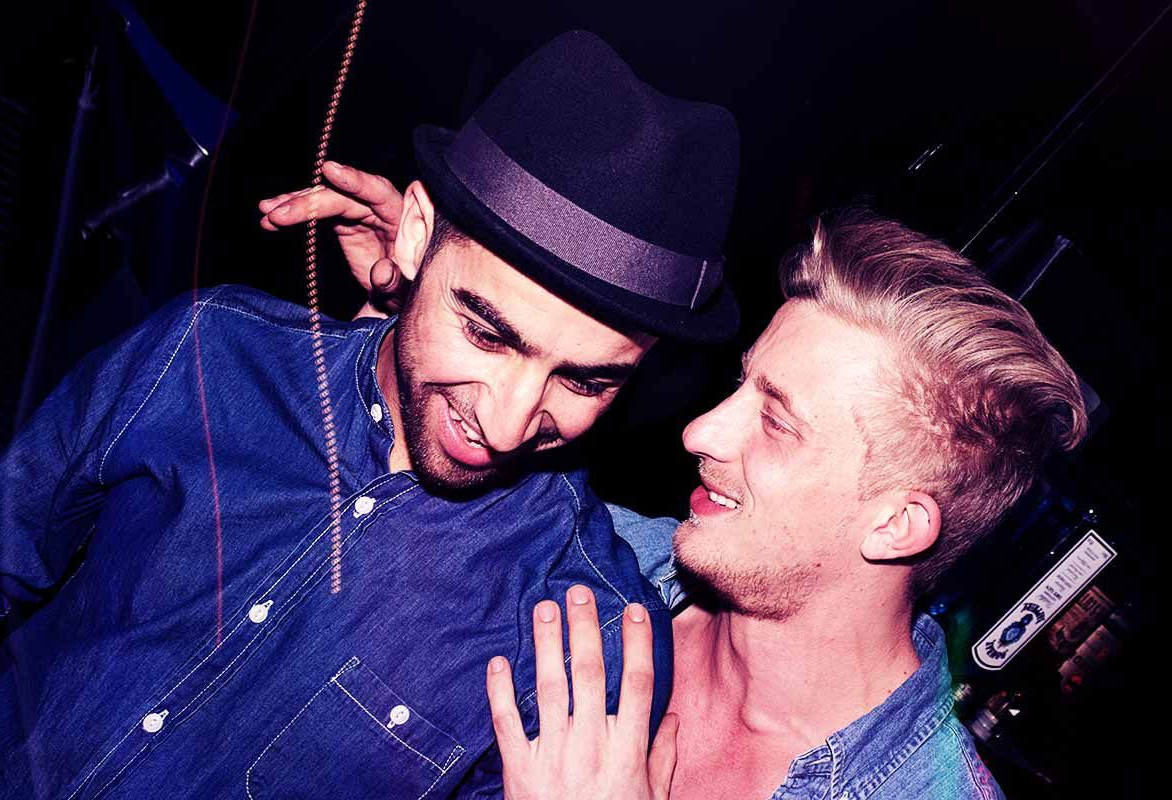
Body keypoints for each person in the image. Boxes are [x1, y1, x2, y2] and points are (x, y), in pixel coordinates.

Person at [0, 32, 742, 799]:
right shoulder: (208, 352)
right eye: (486, 333)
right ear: (415, 235)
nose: (508, 425)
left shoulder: (585, 642)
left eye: (585, 382)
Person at [294, 191, 1084, 797]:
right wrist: (422, 306)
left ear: (897, 523)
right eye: (742, 386)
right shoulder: (586, 553)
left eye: (776, 422)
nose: (701, 432)